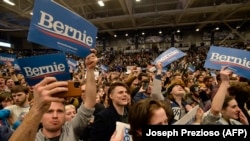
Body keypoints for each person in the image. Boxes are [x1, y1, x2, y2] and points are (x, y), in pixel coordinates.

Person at [8, 49, 98, 141]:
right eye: (49, 111)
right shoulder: (32, 137)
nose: (55, 115)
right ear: (40, 117)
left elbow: (89, 103)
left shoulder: (72, 129)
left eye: (60, 111)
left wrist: (90, 69)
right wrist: (36, 109)